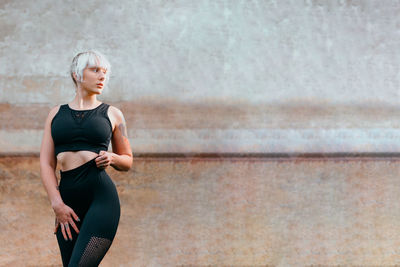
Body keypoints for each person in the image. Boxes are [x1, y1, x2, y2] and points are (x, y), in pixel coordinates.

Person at [39, 50, 133, 266]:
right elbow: (46, 163)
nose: (103, 77)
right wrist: (57, 204)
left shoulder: (113, 114)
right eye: (95, 70)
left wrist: (112, 158)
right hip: (66, 204)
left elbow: (127, 159)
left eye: (105, 72)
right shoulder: (55, 114)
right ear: (76, 73)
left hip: (101, 200)